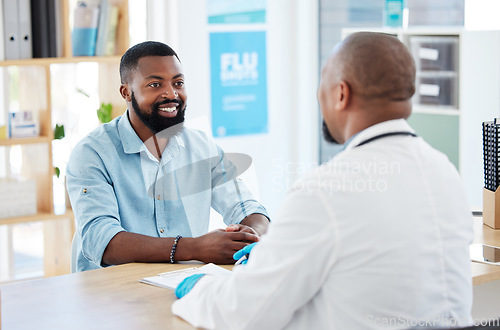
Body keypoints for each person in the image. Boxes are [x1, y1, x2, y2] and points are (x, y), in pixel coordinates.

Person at [172, 32, 474, 329]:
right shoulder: (445, 172)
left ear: (341, 94)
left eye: (322, 87)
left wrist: (198, 289)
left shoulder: (326, 190)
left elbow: (240, 313)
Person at [66, 41, 269, 272]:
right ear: (127, 92)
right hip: (109, 292)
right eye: (155, 84)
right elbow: (102, 242)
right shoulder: (92, 153)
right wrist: (195, 248)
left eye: (178, 83)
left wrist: (251, 236)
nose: (171, 94)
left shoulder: (201, 146)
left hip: (177, 284)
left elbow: (248, 208)